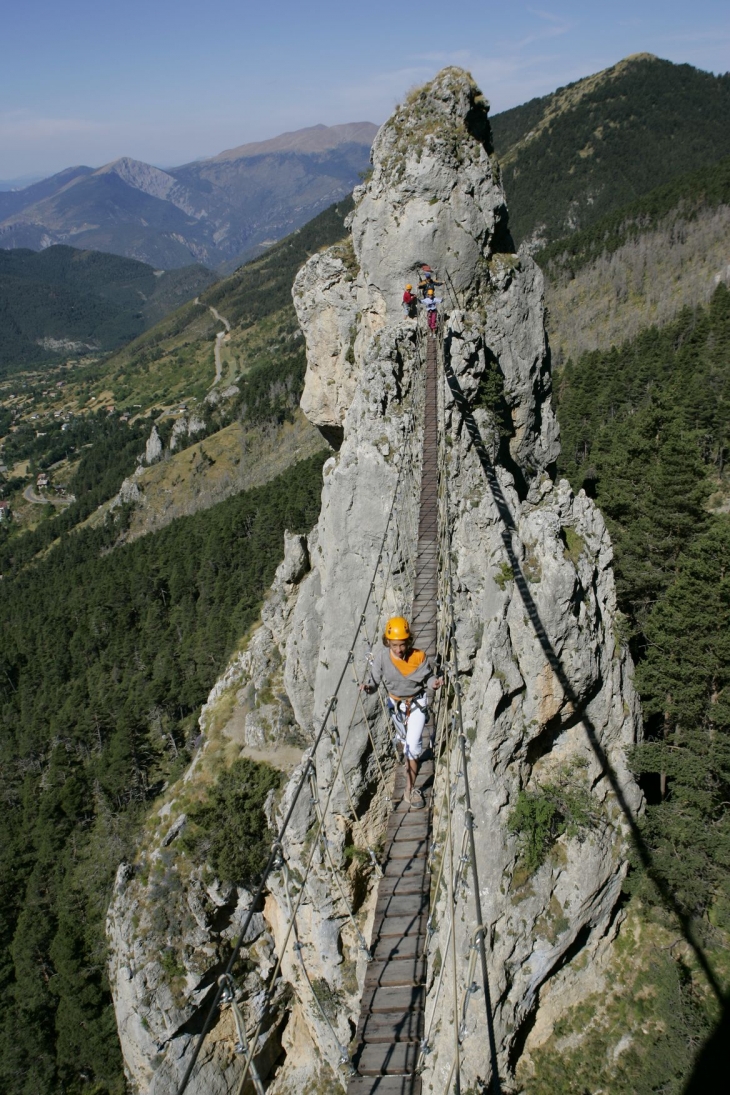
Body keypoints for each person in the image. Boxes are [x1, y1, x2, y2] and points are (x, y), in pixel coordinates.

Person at [361, 617, 442, 809]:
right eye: (395, 645)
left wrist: (435, 683)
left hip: (417, 702)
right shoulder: (381, 658)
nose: (399, 649)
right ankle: (408, 750)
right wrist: (367, 688)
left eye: (402, 644)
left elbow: (429, 678)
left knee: (412, 747)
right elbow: (374, 683)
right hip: (396, 706)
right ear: (387, 642)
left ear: (408, 642)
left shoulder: (419, 656)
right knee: (406, 743)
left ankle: (409, 789)